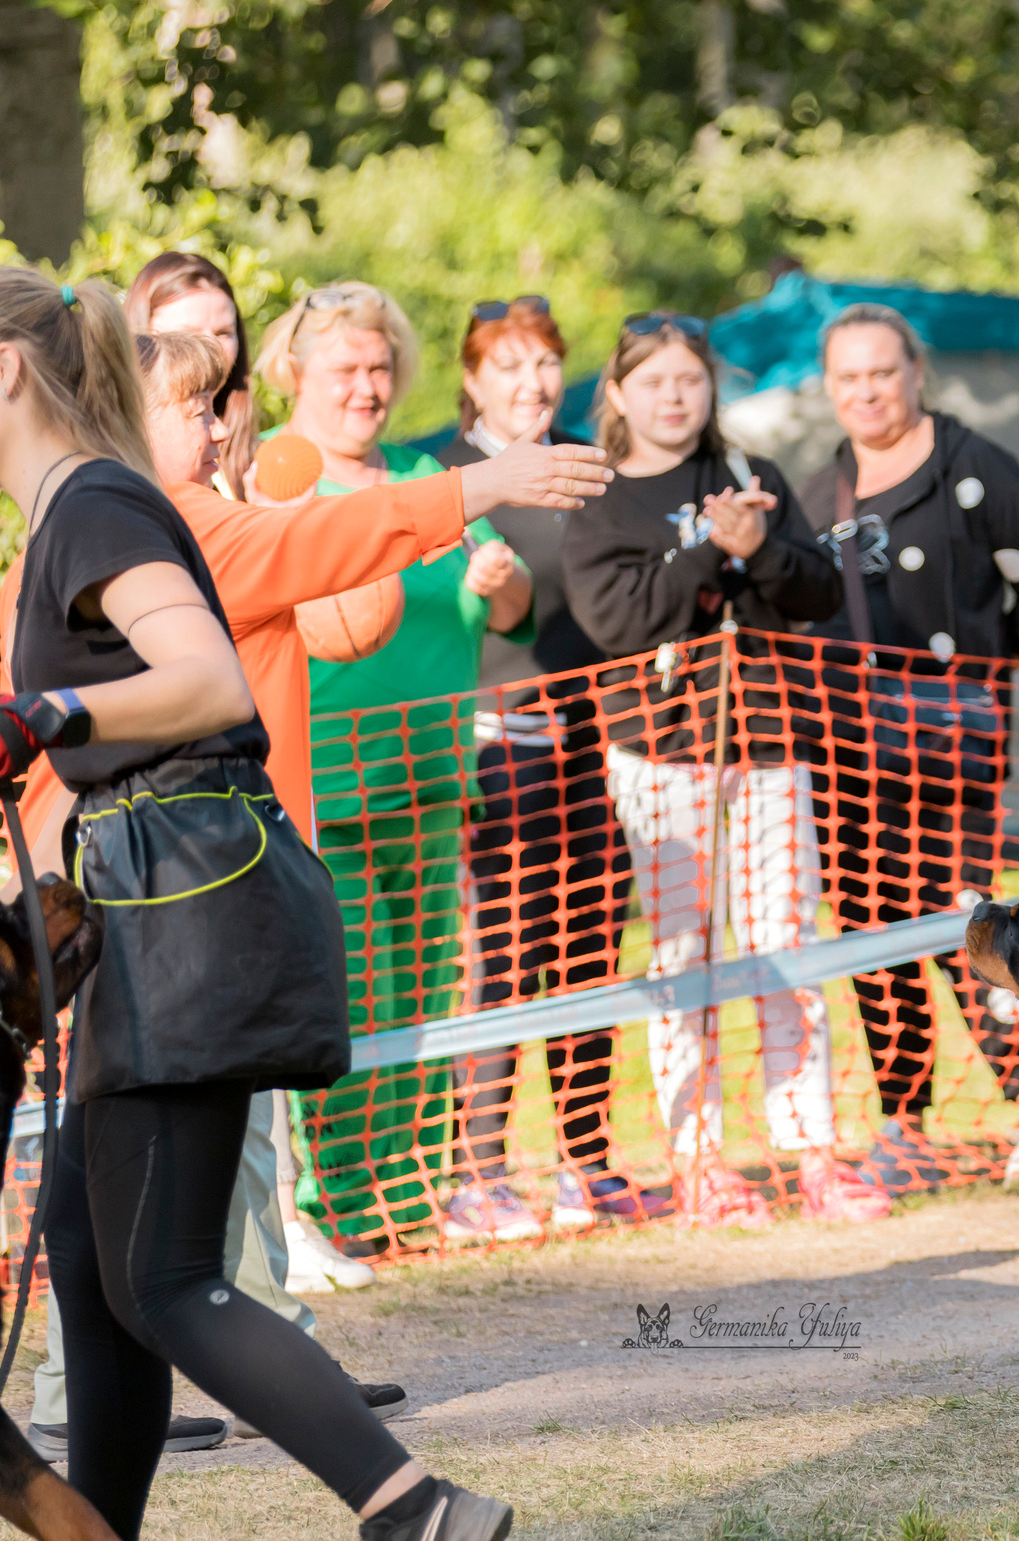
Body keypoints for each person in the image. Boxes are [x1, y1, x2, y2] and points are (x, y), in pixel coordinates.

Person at [0, 268, 514, 1540]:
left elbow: (207, 680)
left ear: (10, 369)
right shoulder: (69, 510)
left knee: (167, 1278)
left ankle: (416, 1509)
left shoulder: (98, 505)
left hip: (189, 915)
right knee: (93, 1237)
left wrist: (46, 713)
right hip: (150, 916)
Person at [562, 313, 875, 1227]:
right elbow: (618, 621)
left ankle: (807, 1146)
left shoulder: (752, 476)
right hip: (659, 753)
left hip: (770, 743)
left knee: (784, 940)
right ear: (618, 393)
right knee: (681, 953)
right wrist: (710, 549)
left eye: (690, 381)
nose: (674, 397)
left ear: (711, 390)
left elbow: (818, 591)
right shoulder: (601, 494)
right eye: (654, 381)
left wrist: (761, 549)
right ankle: (696, 1156)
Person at [261, 281, 536, 1253]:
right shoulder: (274, 480)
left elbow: (511, 609)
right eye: (346, 367)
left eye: (380, 367)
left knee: (424, 991)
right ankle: (339, 1202)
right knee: (354, 995)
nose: (367, 386)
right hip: (328, 786)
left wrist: (499, 579)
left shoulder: (427, 473)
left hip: (432, 780)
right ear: (296, 371)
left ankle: (410, 1193)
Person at [792, 302, 1019, 1196]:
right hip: (850, 763)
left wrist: (983, 677)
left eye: (883, 371)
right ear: (829, 388)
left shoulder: (976, 465)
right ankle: (903, 1121)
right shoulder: (817, 492)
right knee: (876, 937)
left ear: (916, 371)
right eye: (849, 377)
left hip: (956, 756)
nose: (867, 391)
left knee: (974, 922)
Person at [435, 297, 684, 1240]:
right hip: (499, 746)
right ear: (473, 382)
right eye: (509, 367)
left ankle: (588, 1163)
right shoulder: (448, 479)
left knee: (589, 955)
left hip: (602, 743)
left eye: (544, 365)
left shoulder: (594, 465)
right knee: (502, 958)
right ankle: (479, 1174)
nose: (531, 384)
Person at [125, 250, 258, 498]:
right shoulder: (115, 470)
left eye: (223, 333)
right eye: (189, 336)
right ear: (142, 338)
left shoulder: (255, 457)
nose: (211, 349)